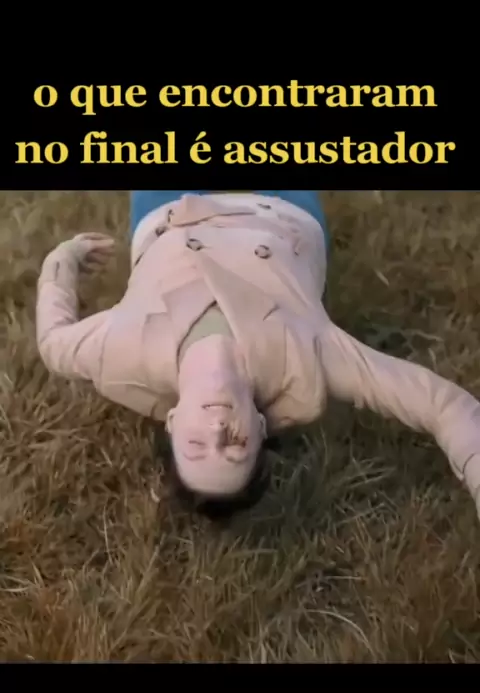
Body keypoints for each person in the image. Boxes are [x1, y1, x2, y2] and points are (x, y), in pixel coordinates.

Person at [36, 190, 480, 520]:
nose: (217, 429)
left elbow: (54, 345)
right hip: (278, 209)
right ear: (261, 427)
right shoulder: (309, 363)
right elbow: (442, 406)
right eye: (236, 445)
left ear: (171, 423)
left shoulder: (119, 352)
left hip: (167, 210)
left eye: (197, 445)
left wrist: (63, 261)